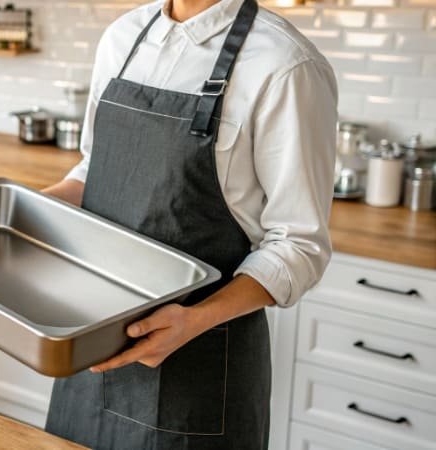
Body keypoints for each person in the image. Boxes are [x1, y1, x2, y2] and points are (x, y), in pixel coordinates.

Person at [41, 0, 337, 448]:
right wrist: (19, 211)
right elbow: (92, 171)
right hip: (91, 346)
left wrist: (194, 320)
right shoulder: (123, 37)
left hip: (199, 371)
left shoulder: (285, 65)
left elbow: (299, 246)